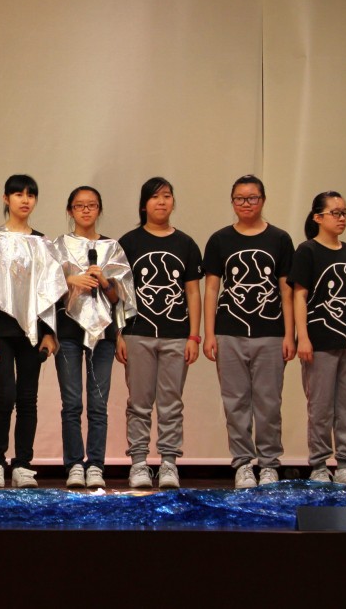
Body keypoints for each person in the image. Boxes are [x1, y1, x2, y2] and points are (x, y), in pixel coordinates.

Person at [0, 174, 65, 489]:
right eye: (18, 194)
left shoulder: (42, 242)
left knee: (28, 398)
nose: (25, 200)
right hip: (0, 332)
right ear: (6, 198)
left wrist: (49, 332)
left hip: (32, 333)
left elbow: (49, 292)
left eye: (30, 195)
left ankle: (23, 464)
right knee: (4, 395)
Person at [203, 175, 295, 488]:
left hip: (271, 332)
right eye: (240, 198)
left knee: (269, 402)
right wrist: (209, 334)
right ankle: (243, 463)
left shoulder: (280, 239)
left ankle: (269, 464)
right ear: (232, 202)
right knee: (235, 402)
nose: (246, 203)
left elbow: (286, 290)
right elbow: (211, 289)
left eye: (252, 198)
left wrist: (290, 334)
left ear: (263, 200)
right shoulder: (219, 240)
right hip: (229, 332)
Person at [117, 177, 202, 489]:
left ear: (173, 202)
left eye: (167, 196)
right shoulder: (128, 243)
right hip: (136, 333)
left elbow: (193, 293)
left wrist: (194, 336)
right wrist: (118, 334)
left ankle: (168, 463)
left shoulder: (186, 244)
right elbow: (120, 293)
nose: (161, 202)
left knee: (171, 403)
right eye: (155, 197)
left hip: (177, 335)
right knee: (139, 402)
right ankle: (139, 463)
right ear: (144, 205)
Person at [53, 185, 136, 489]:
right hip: (68, 331)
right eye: (79, 205)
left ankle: (96, 464)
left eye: (92, 205)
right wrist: (70, 279)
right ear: (70, 210)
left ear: (99, 209)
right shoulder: (58, 246)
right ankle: (75, 464)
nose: (86, 210)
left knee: (98, 404)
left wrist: (104, 281)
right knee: (71, 402)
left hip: (104, 334)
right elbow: (45, 287)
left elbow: (119, 298)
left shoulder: (112, 248)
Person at [290, 191, 346, 488]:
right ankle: (319, 465)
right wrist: (303, 337)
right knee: (321, 406)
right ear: (318, 217)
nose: (341, 218)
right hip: (320, 341)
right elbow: (299, 295)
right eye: (335, 213)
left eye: (344, 213)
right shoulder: (307, 251)